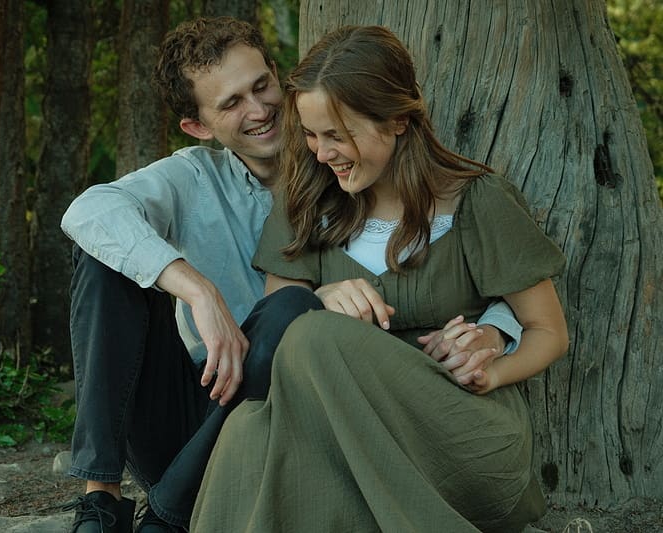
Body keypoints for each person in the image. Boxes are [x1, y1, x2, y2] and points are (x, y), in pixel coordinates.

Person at [60, 17, 522, 533]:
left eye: (261, 86)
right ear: (199, 127)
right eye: (231, 103)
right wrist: (199, 290)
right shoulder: (192, 177)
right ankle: (100, 500)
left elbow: (467, 266)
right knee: (103, 257)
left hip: (292, 418)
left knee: (290, 310)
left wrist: (498, 328)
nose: (259, 111)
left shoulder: (355, 167)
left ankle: (167, 519)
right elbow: (88, 213)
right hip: (199, 412)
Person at [190, 25, 569, 533]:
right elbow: (279, 338)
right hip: (340, 436)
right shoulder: (306, 200)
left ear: (396, 120)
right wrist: (321, 295)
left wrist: (491, 368)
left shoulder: (478, 201)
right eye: (310, 134)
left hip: (460, 432)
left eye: (337, 136)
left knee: (315, 336)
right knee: (246, 430)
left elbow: (550, 332)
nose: (322, 154)